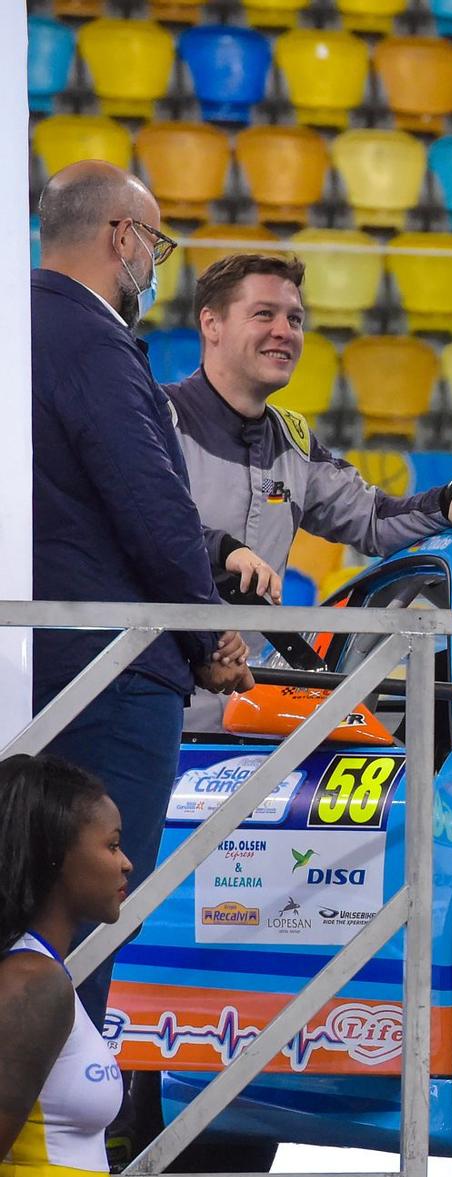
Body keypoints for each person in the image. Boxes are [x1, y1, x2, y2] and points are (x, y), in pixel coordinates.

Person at [31, 162, 254, 1038]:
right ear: (120, 236)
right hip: (108, 674)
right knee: (83, 919)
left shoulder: (21, 328)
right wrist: (208, 637)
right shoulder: (92, 339)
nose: (154, 263)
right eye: (153, 241)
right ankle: (62, 1129)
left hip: (38, 656)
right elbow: (151, 505)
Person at [167, 253, 452, 723]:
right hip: (150, 697)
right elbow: (140, 526)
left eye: (294, 318)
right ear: (212, 323)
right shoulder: (157, 418)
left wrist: (449, 500)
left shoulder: (293, 439)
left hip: (251, 712)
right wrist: (221, 550)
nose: (284, 331)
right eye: (263, 314)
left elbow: (372, 520)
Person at [0, 755, 132, 1177]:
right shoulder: (32, 984)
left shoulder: (46, 973)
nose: (126, 863)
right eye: (111, 846)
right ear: (57, 858)